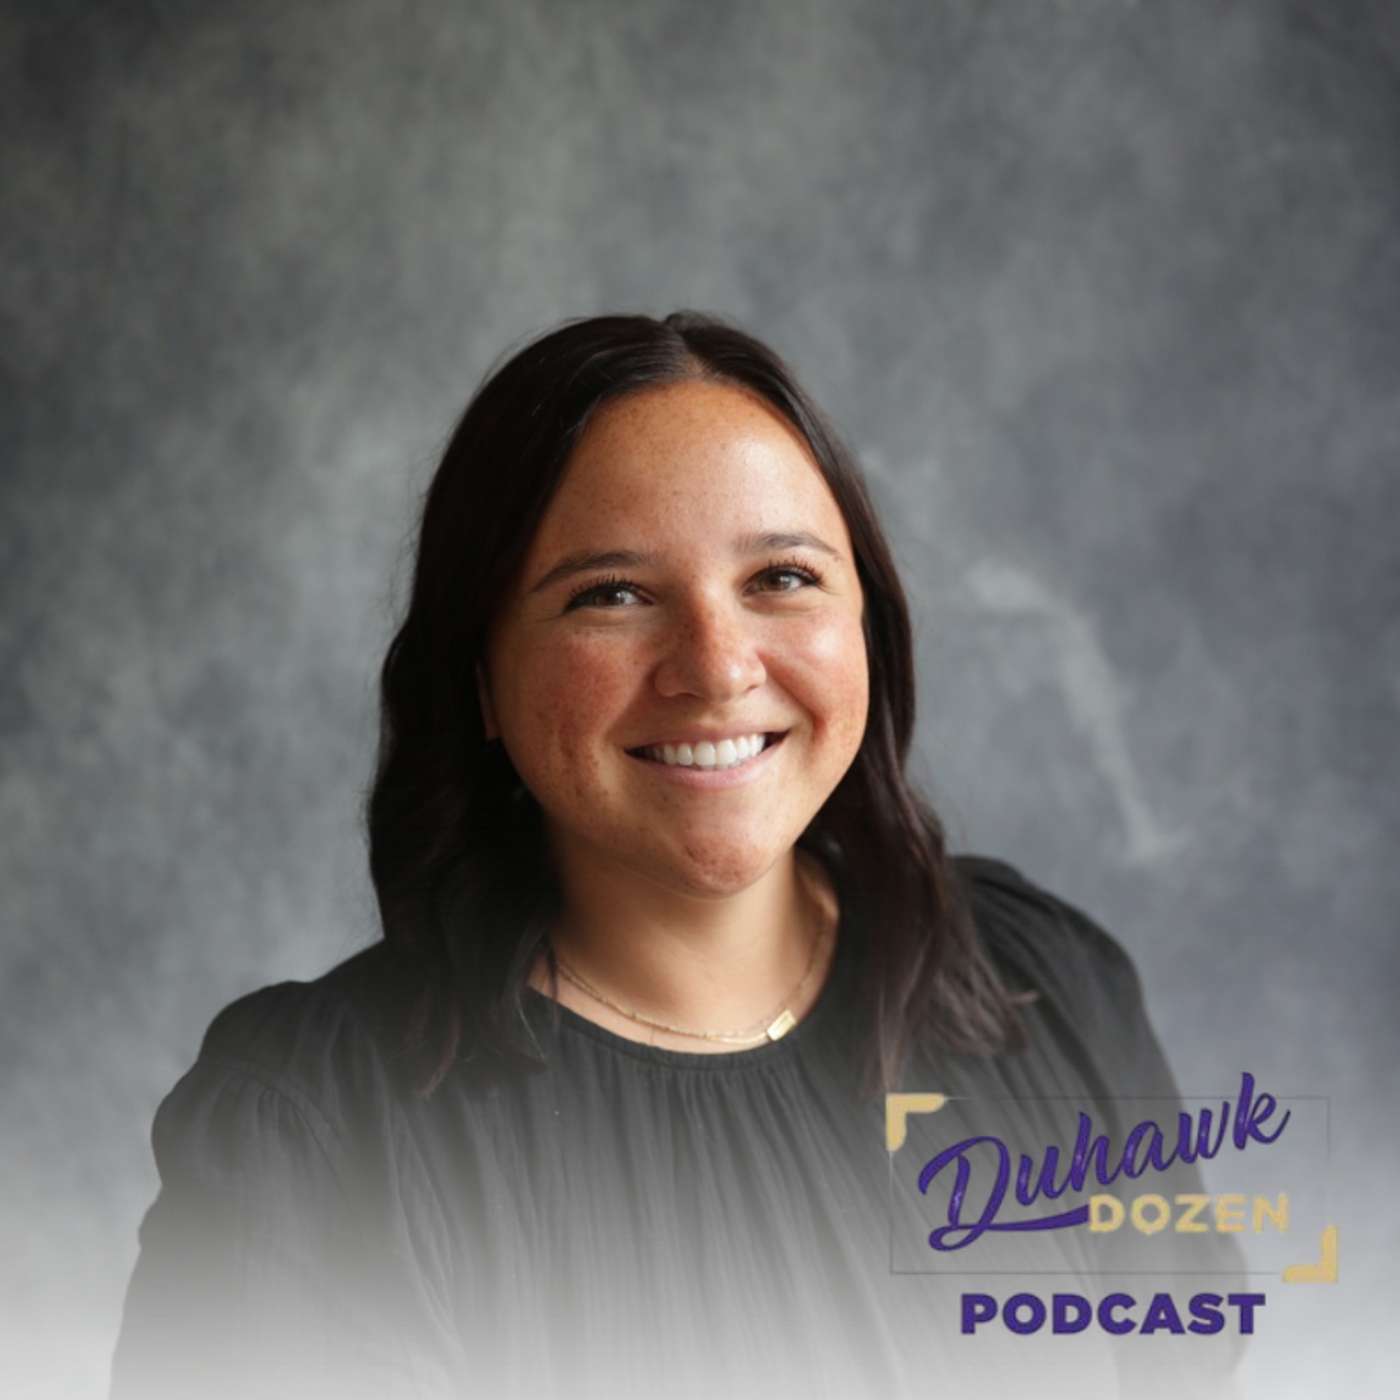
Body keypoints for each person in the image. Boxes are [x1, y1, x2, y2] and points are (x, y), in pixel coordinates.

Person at [110, 312, 1244, 1400]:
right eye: (611, 595)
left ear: (868, 624)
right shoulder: (315, 1134)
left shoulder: (1043, 982)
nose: (715, 666)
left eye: (780, 578)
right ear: (479, 681)